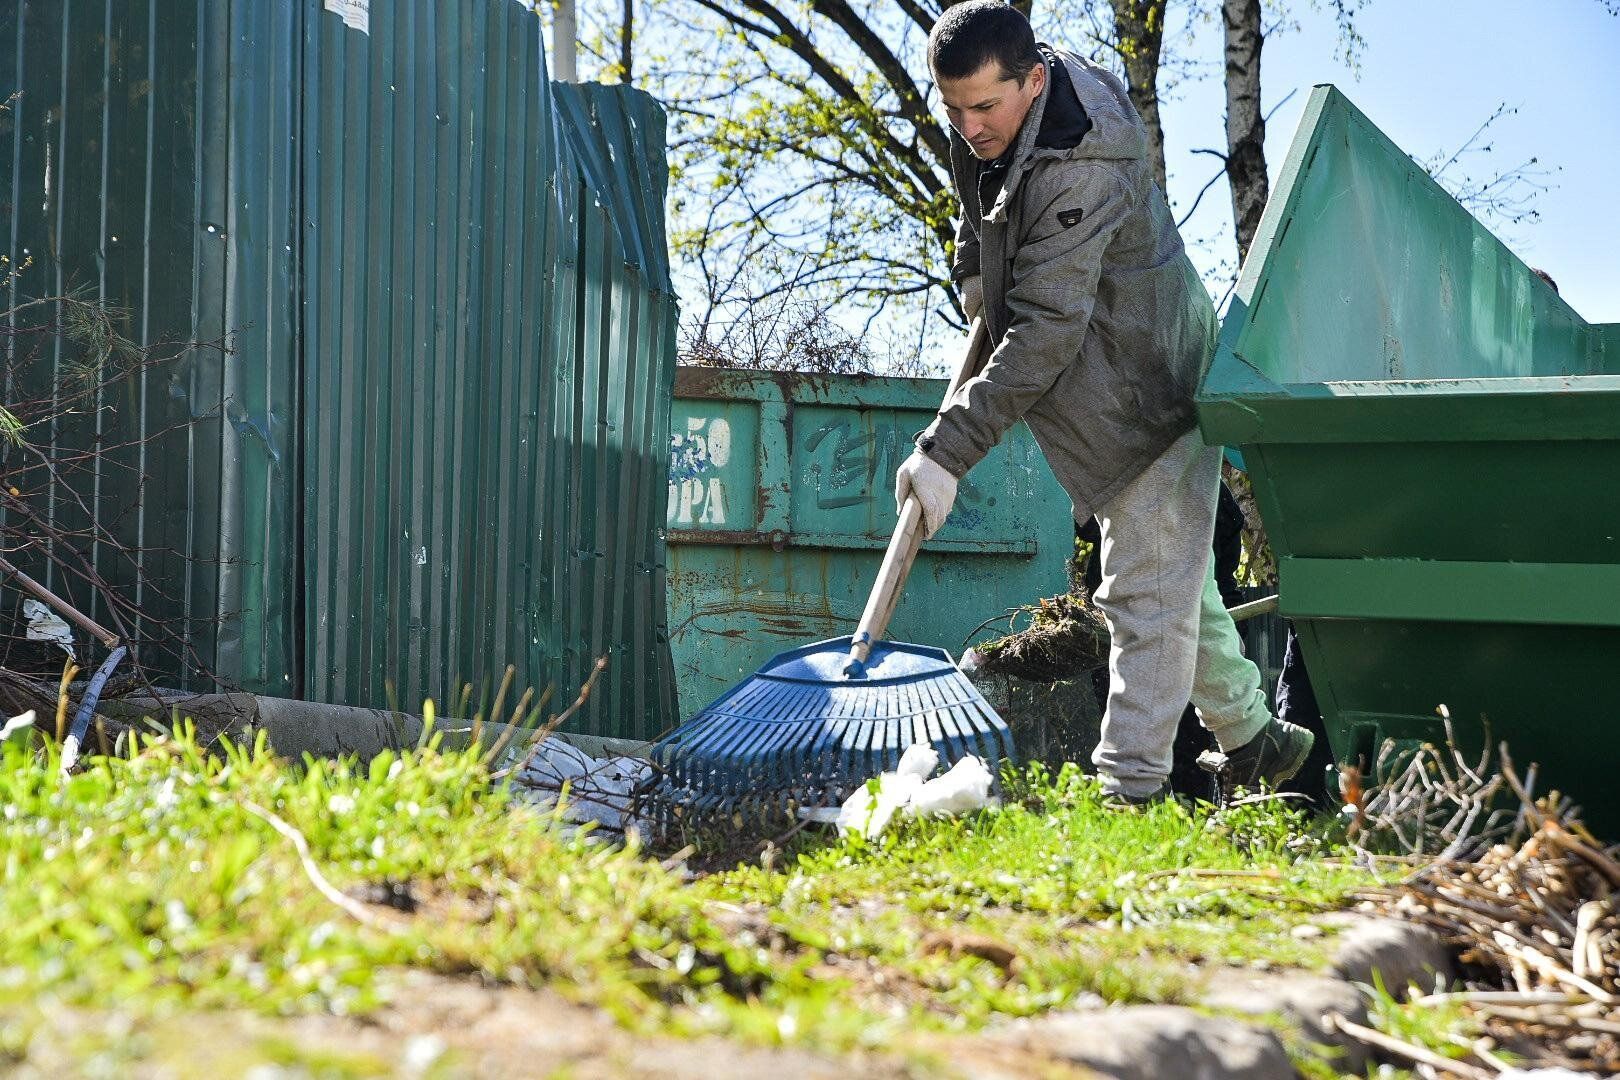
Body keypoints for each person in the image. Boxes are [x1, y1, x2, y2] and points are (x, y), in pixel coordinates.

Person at [893, 0, 1313, 805]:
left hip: (1151, 382)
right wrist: (976, 274)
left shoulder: (1084, 163)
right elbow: (978, 203)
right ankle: (1258, 740)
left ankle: (1130, 792)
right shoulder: (987, 114)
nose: (969, 126)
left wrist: (948, 450)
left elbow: (1047, 332)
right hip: (1095, 385)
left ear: (1034, 81)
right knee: (1169, 574)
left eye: (984, 107)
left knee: (1142, 594)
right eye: (954, 108)